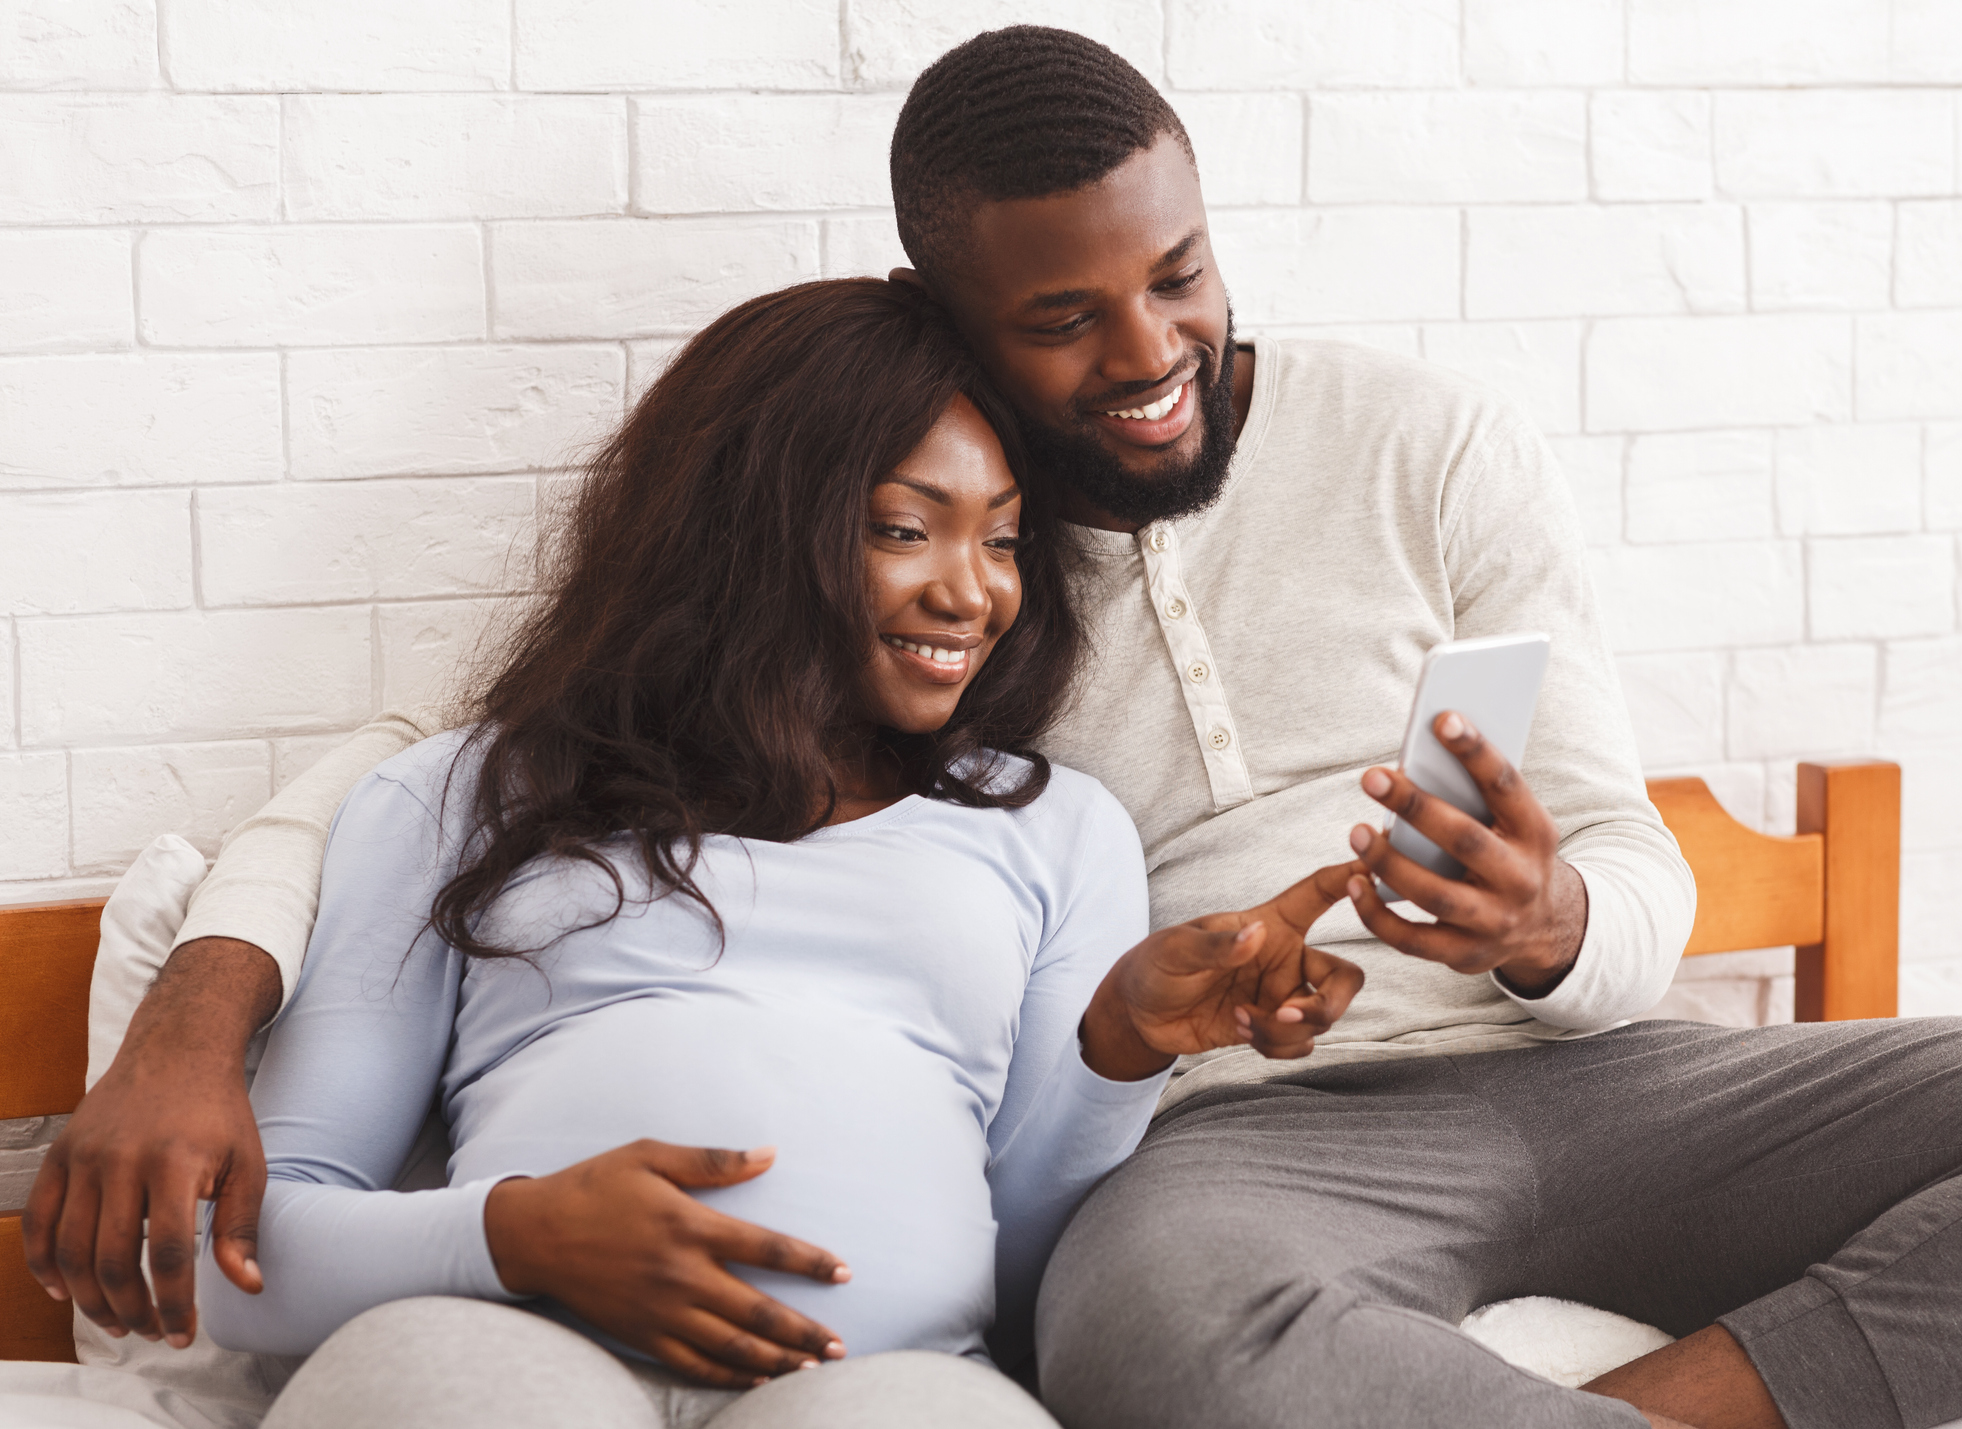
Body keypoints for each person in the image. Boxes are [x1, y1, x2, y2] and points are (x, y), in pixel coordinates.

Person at [27, 25, 1962, 1429]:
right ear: (944, 330)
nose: (1149, 354)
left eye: (1178, 276)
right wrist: (195, 1015)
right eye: (1062, 322)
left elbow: (1621, 860)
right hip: (1246, 1140)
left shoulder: (1417, 447)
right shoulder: (890, 566)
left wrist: (1551, 924)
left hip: (1598, 1067)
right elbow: (451, 762)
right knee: (1143, 1321)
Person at [54, 278, 1369, 1429]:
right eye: (904, 527)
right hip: (502, 1348)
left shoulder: (1053, 827)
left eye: (1002, 535)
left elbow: (1023, 1279)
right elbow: (248, 1257)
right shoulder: (469, 795)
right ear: (750, 526)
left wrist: (1116, 1047)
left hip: (887, 1381)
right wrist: (514, 1235)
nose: (972, 590)